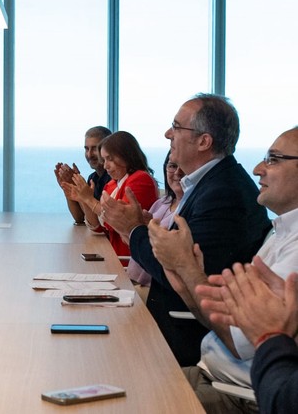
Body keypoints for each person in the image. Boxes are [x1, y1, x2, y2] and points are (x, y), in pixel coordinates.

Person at [99, 93, 271, 367]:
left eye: (177, 127)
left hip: (184, 343)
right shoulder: (210, 184)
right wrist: (142, 228)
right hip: (171, 329)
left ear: (204, 141)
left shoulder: (223, 193)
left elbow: (177, 270)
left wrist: (134, 230)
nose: (168, 134)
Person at [147, 127, 298, 412]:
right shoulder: (282, 233)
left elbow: (239, 339)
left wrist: (186, 269)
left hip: (238, 396)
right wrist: (186, 280)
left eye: (274, 159)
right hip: (212, 376)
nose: (257, 169)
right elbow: (225, 317)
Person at [200, 260, 298, 414]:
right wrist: (290, 319)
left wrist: (271, 336)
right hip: (211, 372)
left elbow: (283, 403)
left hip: (241, 392)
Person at [62, 131, 158, 263]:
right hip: (112, 256)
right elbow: (98, 227)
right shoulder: (112, 184)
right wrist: (83, 199)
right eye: (104, 160)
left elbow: (118, 221)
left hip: (131, 261)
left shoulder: (140, 179)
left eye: (110, 159)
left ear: (126, 156)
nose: (105, 166)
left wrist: (89, 199)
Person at [127, 152, 185, 287]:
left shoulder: (191, 208)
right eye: (172, 166)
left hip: (151, 288)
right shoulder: (162, 202)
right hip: (132, 281)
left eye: (184, 167)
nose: (178, 172)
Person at [55, 126, 112, 225]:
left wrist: (83, 195)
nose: (89, 155)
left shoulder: (112, 179)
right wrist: (69, 186)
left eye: (94, 149)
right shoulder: (93, 178)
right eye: (86, 149)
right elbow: (80, 218)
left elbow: (99, 221)